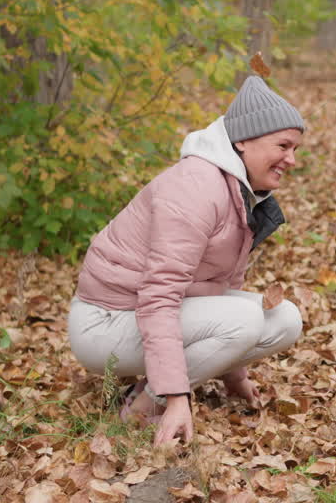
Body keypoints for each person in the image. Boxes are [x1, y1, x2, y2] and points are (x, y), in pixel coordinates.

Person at [68, 76, 306, 447]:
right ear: (243, 140)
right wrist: (177, 399)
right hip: (105, 321)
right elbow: (159, 295)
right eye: (283, 145)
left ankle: (158, 388)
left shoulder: (244, 192)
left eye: (295, 148)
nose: (292, 160)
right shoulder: (195, 187)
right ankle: (145, 404)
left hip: (146, 311)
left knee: (285, 319)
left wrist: (234, 375)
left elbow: (228, 286)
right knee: (245, 319)